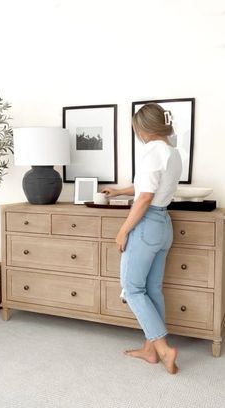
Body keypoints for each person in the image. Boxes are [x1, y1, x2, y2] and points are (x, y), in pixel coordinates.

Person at [102, 103, 182, 375]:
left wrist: (124, 230)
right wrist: (120, 191)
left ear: (143, 128)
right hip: (164, 225)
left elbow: (146, 197)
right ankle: (150, 351)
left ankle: (162, 349)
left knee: (132, 288)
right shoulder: (172, 152)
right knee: (152, 288)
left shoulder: (151, 152)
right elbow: (148, 187)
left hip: (146, 225)